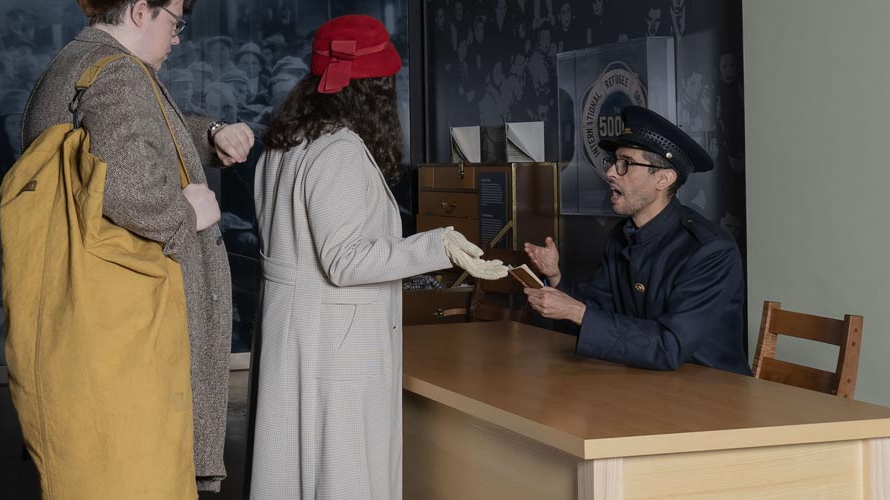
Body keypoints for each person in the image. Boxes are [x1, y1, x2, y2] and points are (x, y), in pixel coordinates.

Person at [247, 15, 506, 500]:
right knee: (341, 476)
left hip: (294, 336)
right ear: (374, 90)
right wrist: (438, 244)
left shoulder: (284, 144)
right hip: (335, 348)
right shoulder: (338, 150)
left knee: (295, 473)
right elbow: (344, 261)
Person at [12, 0, 255, 495]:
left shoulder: (78, 63)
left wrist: (209, 135)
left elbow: (135, 132)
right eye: (176, 20)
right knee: (144, 471)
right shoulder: (119, 75)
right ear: (141, 11)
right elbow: (125, 185)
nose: (178, 37)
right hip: (134, 327)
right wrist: (189, 212)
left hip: (83, 320)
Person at [522, 106, 751, 375]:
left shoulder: (710, 251)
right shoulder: (622, 235)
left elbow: (669, 346)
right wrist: (557, 278)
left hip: (712, 396)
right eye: (613, 161)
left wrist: (577, 312)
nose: (610, 173)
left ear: (663, 179)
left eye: (626, 164)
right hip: (644, 381)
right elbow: (599, 309)